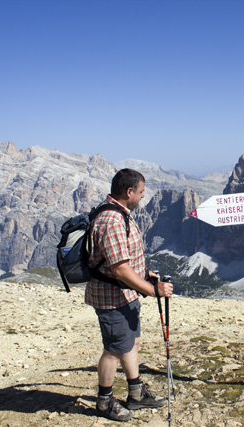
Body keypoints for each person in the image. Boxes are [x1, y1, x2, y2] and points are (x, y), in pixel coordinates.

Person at [85, 168, 174, 422]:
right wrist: (152, 290)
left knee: (130, 343)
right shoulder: (112, 220)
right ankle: (104, 402)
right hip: (112, 298)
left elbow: (123, 257)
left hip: (126, 295)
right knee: (113, 349)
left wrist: (145, 274)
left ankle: (135, 393)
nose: (143, 196)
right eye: (141, 191)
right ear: (129, 192)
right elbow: (119, 269)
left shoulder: (120, 213)